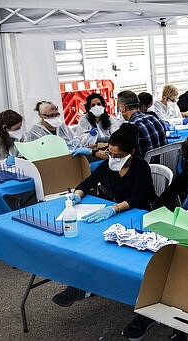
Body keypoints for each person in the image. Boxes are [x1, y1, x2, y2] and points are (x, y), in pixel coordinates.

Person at [52, 123, 157, 308]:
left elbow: (137, 198)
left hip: (140, 214)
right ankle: (80, 285)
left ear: (131, 152)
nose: (112, 158)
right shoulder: (109, 163)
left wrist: (113, 209)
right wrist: (77, 195)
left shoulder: (141, 166)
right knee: (89, 242)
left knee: (109, 247)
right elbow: (88, 182)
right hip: (117, 212)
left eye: (117, 156)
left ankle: (97, 285)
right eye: (110, 153)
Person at [117, 90, 167, 157]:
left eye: (119, 108)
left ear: (123, 108)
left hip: (145, 166)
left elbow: (121, 155)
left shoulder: (130, 128)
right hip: (163, 165)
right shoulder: (155, 119)